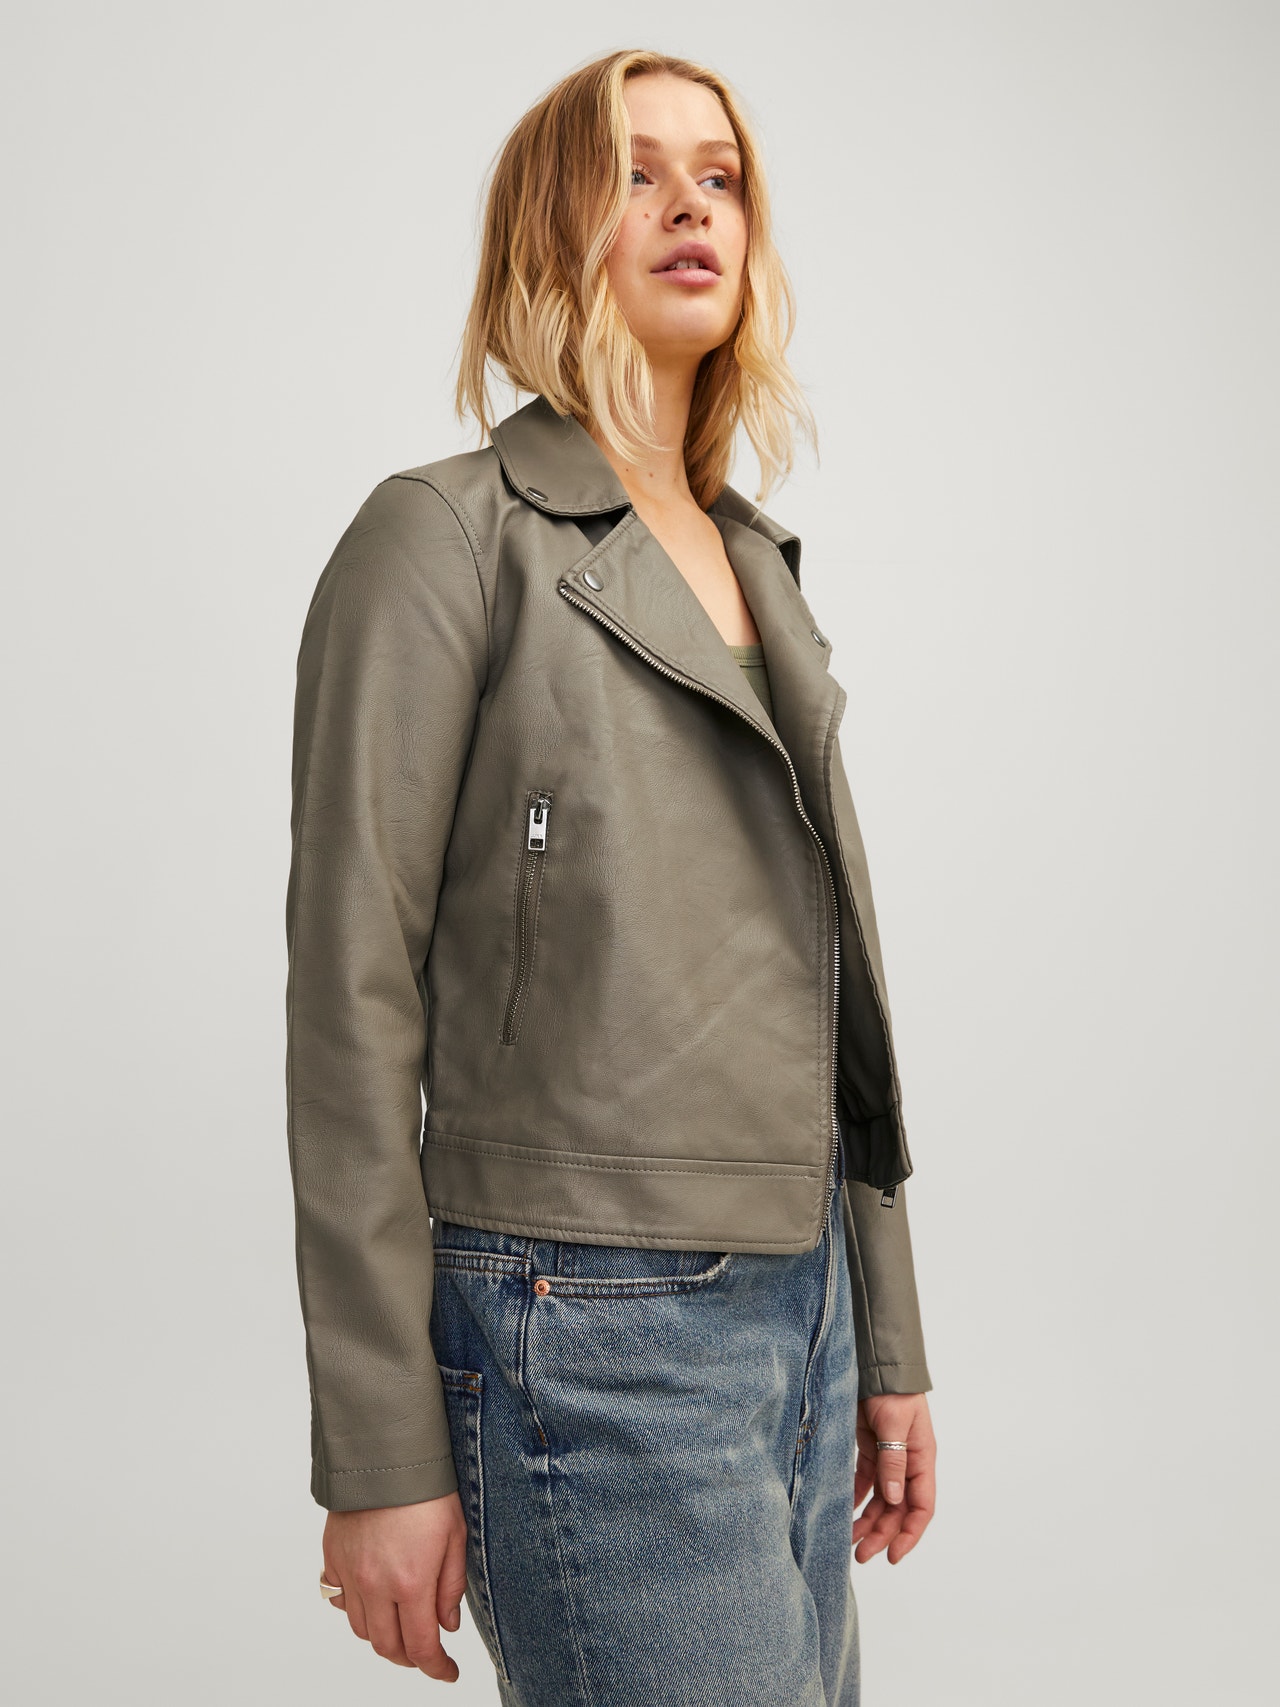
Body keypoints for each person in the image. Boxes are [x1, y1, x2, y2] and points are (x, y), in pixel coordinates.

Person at [286, 47, 937, 1705]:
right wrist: (380, 1448)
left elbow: (838, 984)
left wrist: (886, 1330)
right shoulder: (443, 538)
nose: (690, 207)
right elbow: (350, 1002)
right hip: (583, 1317)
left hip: (798, 1300)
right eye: (634, 174)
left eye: (719, 178)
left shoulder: (757, 561)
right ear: (546, 230)